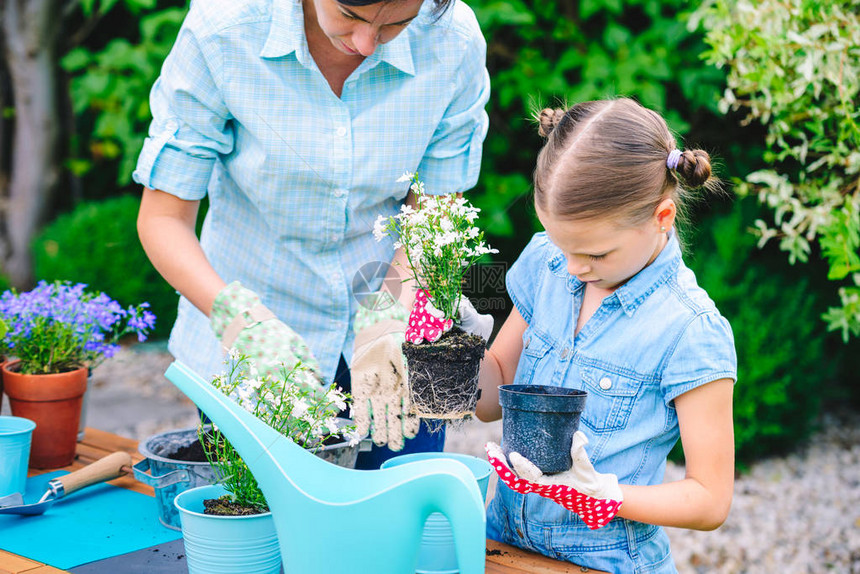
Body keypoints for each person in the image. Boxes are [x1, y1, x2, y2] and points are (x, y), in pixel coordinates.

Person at [133, 0, 491, 467]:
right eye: (351, 16)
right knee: (256, 525)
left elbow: (438, 212)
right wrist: (241, 320)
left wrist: (388, 312)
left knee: (396, 522)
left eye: (397, 23)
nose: (367, 44)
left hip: (391, 328)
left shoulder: (452, 39)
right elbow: (162, 219)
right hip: (257, 332)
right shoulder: (224, 28)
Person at [475, 98, 737, 573]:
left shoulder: (690, 330)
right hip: (503, 545)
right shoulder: (548, 265)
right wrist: (453, 350)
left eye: (595, 254)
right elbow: (490, 397)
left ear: (662, 217)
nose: (574, 267)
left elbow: (710, 499)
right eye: (562, 245)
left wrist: (605, 495)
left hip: (607, 562)